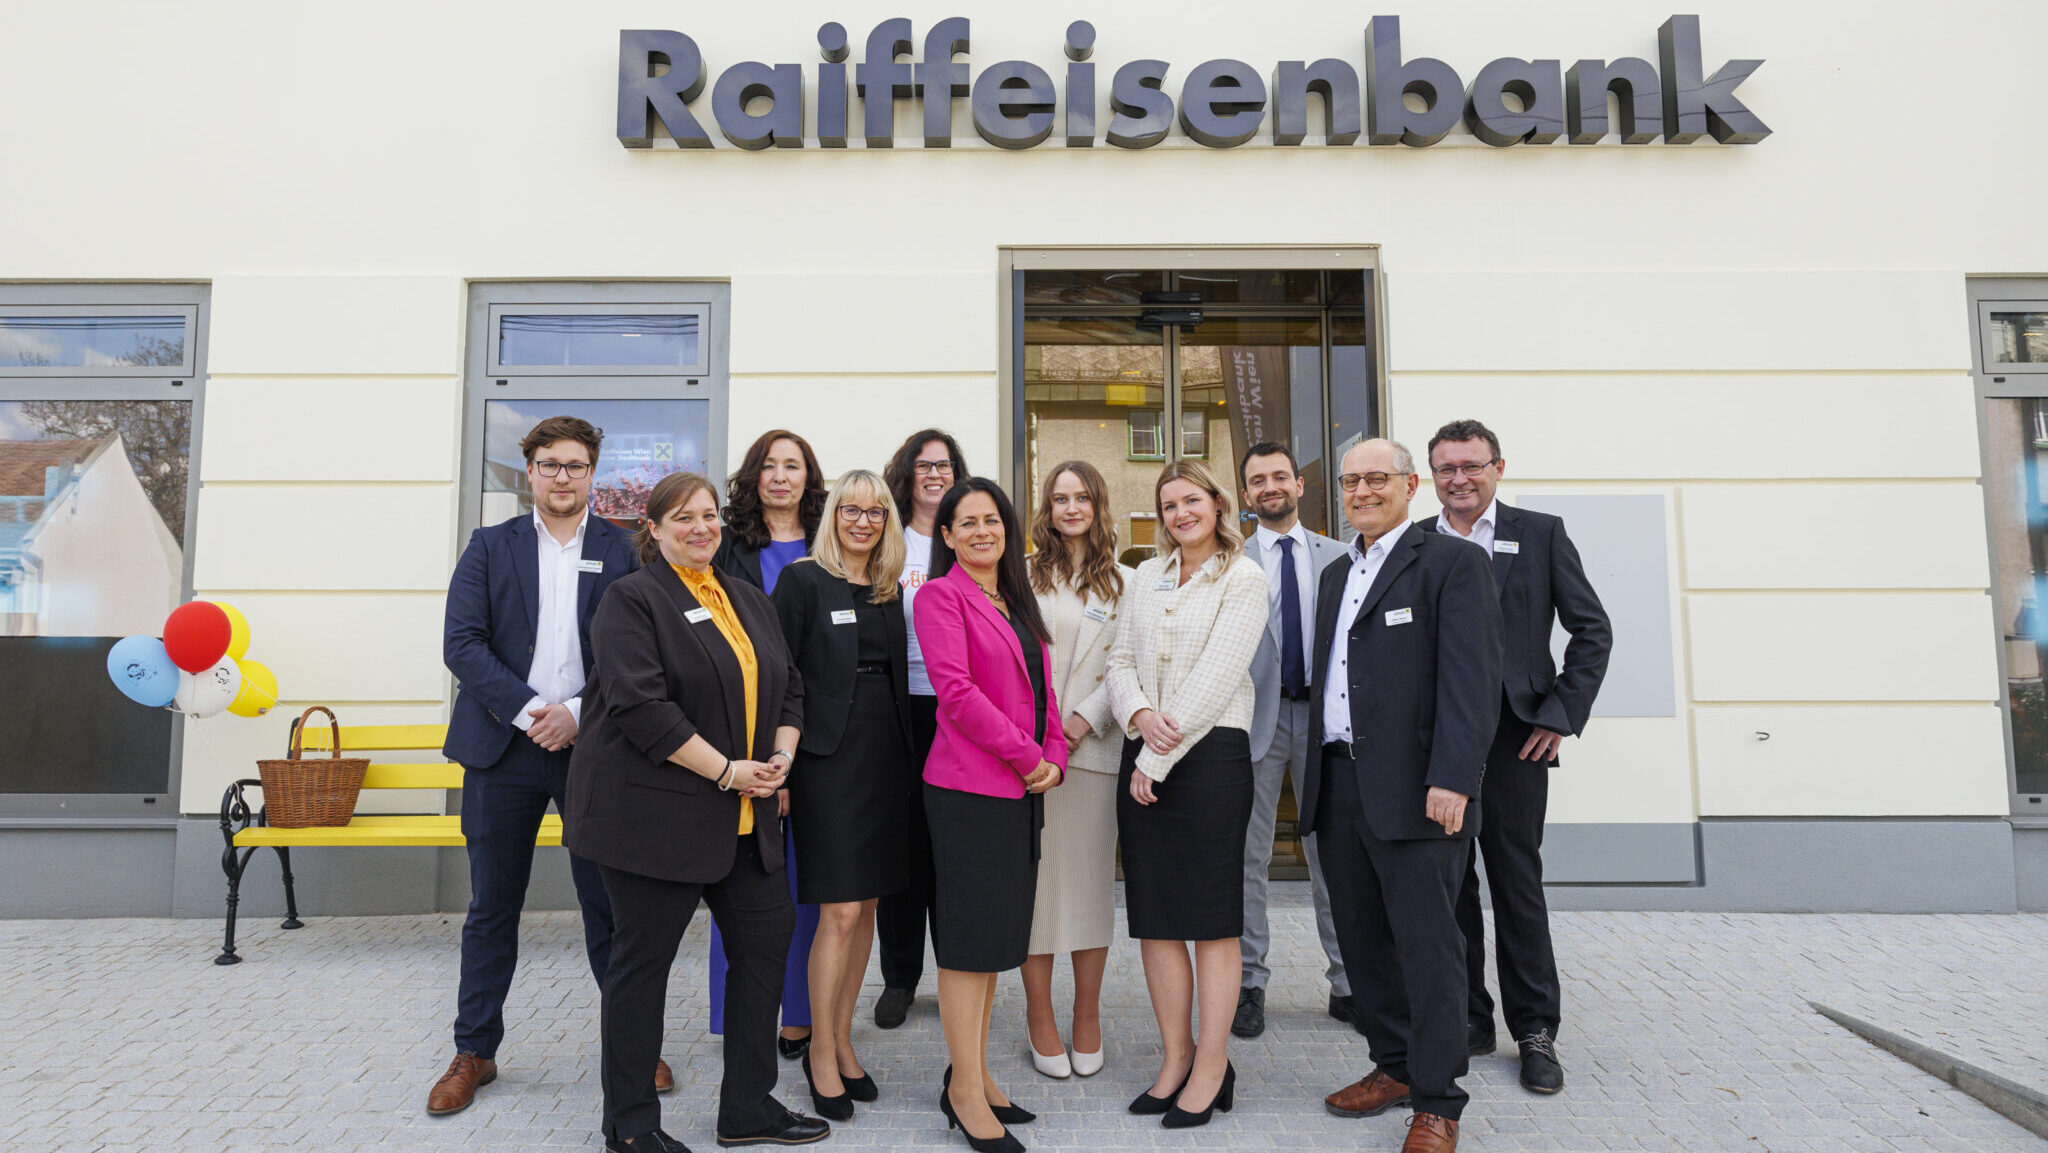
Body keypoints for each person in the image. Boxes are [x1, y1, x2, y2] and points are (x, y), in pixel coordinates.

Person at [561, 472, 829, 1153]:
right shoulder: (631, 600)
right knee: (641, 968)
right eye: (683, 517)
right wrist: (729, 771)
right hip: (654, 822)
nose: (701, 527)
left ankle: (746, 1106)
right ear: (651, 527)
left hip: (745, 819)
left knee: (765, 950)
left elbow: (789, 685)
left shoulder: (743, 597)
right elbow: (642, 707)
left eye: (709, 515)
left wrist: (781, 756)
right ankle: (630, 1125)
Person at [431, 416, 669, 1115]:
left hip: (594, 748)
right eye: (548, 463)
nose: (562, 476)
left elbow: (642, 653)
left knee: (608, 905)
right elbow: (462, 643)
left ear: (594, 474)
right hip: (504, 747)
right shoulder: (489, 546)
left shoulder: (628, 550)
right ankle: (474, 1049)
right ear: (528, 471)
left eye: (575, 464)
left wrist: (577, 710)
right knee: (491, 906)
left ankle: (631, 1044)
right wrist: (536, 709)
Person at [1308, 439, 1503, 1153]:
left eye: (1376, 478)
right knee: (1363, 944)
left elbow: (1473, 681)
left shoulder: (1452, 563)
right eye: (1351, 480)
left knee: (1429, 950)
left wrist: (1453, 777)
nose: (1362, 490)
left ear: (1409, 485)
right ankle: (1393, 1065)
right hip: (1340, 783)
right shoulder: (1336, 574)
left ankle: (1438, 1100)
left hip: (1420, 793)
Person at [1416, 419, 1611, 1095]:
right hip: (1435, 742)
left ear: (1498, 466)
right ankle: (1471, 1017)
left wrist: (1557, 713)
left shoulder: (1540, 534)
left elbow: (1592, 629)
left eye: (1472, 465)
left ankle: (1535, 1030)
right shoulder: (1418, 543)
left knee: (1515, 885)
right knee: (1449, 886)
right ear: (1431, 475)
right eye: (1446, 468)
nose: (1460, 479)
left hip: (1513, 742)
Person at [1105, 460, 1267, 1130]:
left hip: (1208, 762)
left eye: (1191, 500)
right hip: (1145, 751)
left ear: (1218, 503)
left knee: (1211, 920)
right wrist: (1139, 715)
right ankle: (1173, 1058)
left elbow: (1216, 676)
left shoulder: (1243, 576)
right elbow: (1118, 662)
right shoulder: (1143, 575)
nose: (1180, 514)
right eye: (1169, 504)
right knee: (1157, 916)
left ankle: (1211, 1065)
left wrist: (1155, 756)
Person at [917, 477, 1066, 1153]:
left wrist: (1053, 755)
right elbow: (956, 691)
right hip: (969, 790)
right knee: (968, 945)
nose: (982, 530)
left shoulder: (1013, 596)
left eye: (992, 520)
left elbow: (1043, 690)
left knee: (994, 945)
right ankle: (964, 1091)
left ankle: (975, 1074)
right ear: (945, 534)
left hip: (1020, 788)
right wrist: (1025, 755)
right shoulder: (939, 596)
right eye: (966, 522)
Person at [771, 469, 914, 1121]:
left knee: (870, 909)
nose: (863, 520)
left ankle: (842, 1036)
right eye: (851, 509)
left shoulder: (887, 590)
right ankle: (819, 1054)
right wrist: (782, 761)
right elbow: (780, 676)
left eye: (876, 511)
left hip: (885, 757)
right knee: (840, 913)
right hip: (825, 762)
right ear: (833, 516)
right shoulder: (803, 580)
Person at [711, 429, 830, 1062]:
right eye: (769, 465)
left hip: (821, 732)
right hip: (748, 734)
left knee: (808, 881)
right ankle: (742, 1016)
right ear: (753, 476)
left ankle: (801, 1014)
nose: (781, 476)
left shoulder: (830, 541)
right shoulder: (727, 546)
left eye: (794, 465)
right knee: (746, 880)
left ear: (810, 476)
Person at [1232, 441, 1353, 1039]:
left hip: (1323, 724)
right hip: (1255, 718)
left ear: (1299, 485)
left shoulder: (1340, 556)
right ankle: (1249, 983)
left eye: (1280, 476)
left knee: (1331, 856)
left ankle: (1348, 984)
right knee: (1248, 857)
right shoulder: (1232, 560)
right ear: (1246, 493)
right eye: (1258, 480)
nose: (1270, 486)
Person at [1020, 461, 1131, 1080]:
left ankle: (1086, 1014)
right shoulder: (1020, 577)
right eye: (1059, 498)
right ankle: (1040, 1016)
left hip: (1092, 753)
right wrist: (1035, 736)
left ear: (1097, 504)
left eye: (1081, 497)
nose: (1069, 508)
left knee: (1089, 890)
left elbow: (1128, 661)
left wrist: (1082, 721)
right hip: (1028, 758)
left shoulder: (1127, 582)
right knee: (1035, 894)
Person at [872, 428, 973, 1030]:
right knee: (903, 847)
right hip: (896, 707)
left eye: (945, 465)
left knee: (954, 843)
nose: (934, 474)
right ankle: (900, 977)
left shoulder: (966, 534)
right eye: (923, 465)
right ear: (906, 473)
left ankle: (959, 969)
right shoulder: (885, 534)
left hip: (959, 708)